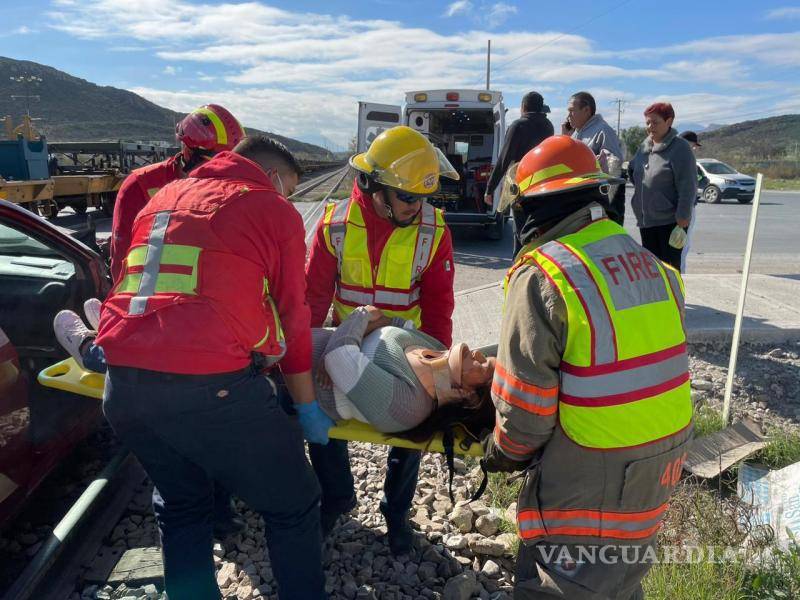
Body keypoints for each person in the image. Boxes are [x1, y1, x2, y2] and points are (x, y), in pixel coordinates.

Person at [93, 136, 329, 600]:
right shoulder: (270, 207)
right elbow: (295, 318)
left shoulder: (163, 198)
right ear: (273, 176)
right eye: (289, 190)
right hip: (208, 391)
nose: (289, 199)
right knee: (294, 503)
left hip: (121, 386)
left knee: (181, 504)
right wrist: (306, 407)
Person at [487, 135, 693, 599]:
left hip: (597, 463)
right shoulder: (655, 266)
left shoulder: (543, 273)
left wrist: (500, 453)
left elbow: (525, 412)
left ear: (532, 208)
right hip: (664, 457)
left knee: (563, 584)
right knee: (619, 575)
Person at [305, 125, 458, 554]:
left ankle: (396, 513)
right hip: (346, 344)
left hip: (404, 355)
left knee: (412, 431)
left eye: (423, 197)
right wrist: (306, 361)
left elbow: (438, 310)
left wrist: (437, 374)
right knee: (320, 419)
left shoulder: (433, 231)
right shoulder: (335, 226)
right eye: (409, 197)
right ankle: (337, 498)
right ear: (376, 188)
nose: (418, 206)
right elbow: (313, 300)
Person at [57, 303, 495, 436]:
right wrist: (362, 330)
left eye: (482, 368)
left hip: (278, 380)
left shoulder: (408, 406)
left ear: (470, 396)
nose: (477, 354)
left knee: (186, 364)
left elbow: (338, 361)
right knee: (195, 336)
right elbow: (399, 326)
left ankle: (94, 352)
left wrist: (359, 319)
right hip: (287, 349)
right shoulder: (436, 352)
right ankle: (117, 330)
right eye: (483, 356)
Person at [110, 104, 245, 284]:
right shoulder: (140, 186)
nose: (222, 170)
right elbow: (121, 258)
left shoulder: (229, 188)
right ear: (189, 152)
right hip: (150, 294)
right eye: (216, 161)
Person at [484, 91, 554, 257]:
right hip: (544, 188)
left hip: (522, 186)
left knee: (520, 231)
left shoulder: (519, 126)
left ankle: (518, 268)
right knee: (539, 230)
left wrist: (490, 188)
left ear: (523, 107)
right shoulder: (548, 126)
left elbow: (504, 159)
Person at [629, 103, 697, 271]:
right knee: (652, 272)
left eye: (655, 122)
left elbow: (688, 186)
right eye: (647, 123)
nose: (650, 127)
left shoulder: (680, 148)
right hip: (647, 222)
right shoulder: (644, 147)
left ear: (669, 121)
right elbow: (633, 171)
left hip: (671, 223)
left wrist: (682, 217)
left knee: (670, 271)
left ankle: (676, 298)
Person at [562, 91, 625, 226]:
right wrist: (565, 139)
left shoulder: (602, 130)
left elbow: (613, 167)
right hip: (581, 203)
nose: (568, 116)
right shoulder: (575, 134)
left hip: (600, 205)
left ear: (586, 110)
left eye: (572, 111)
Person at [679, 130, 706, 272]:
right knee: (682, 244)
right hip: (686, 208)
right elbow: (703, 180)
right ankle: (680, 275)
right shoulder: (689, 161)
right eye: (694, 146)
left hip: (665, 209)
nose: (695, 149)